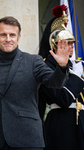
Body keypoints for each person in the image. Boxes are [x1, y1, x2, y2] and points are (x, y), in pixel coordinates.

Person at [0, 16, 70, 150]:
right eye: (3, 35)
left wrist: (62, 67)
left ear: (19, 37)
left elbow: (54, 82)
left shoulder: (33, 61)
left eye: (12, 35)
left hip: (28, 139)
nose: (8, 39)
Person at [38, 5, 84, 150]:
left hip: (80, 122)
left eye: (71, 43)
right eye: (66, 43)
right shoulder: (45, 66)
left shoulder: (75, 65)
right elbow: (63, 99)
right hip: (61, 125)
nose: (71, 47)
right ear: (54, 44)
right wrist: (77, 76)